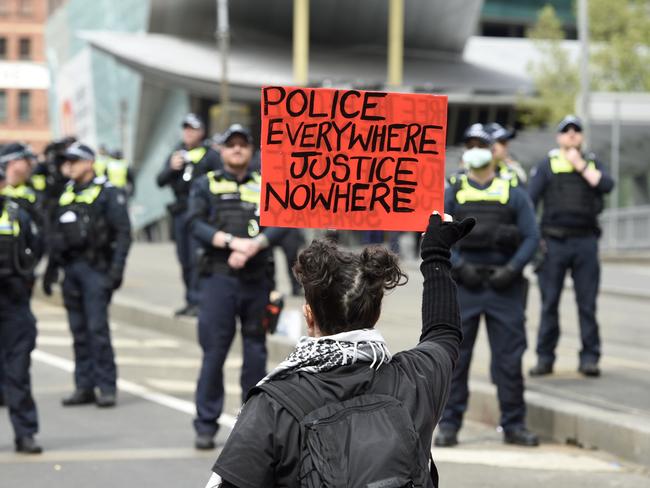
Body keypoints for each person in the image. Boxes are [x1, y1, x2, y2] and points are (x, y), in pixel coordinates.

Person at [203, 212, 473, 487]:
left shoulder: (272, 405)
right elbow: (444, 332)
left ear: (309, 317)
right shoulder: (417, 378)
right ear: (376, 314)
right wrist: (436, 255)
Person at [435, 124, 540, 448]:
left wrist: (512, 269)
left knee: (508, 361)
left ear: (494, 151)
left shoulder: (512, 190)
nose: (476, 149)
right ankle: (449, 425)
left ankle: (513, 424)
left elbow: (532, 237)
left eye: (483, 144)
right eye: (471, 144)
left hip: (503, 287)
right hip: (465, 286)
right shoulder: (453, 190)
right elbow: (438, 233)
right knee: (457, 360)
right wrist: (459, 265)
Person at [188, 124, 287, 450]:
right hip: (218, 278)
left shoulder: (266, 184)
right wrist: (232, 243)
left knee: (256, 354)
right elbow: (194, 223)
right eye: (231, 145)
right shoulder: (207, 184)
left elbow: (280, 223)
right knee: (214, 353)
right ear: (221, 149)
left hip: (256, 278)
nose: (237, 150)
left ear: (251, 150)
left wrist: (253, 246)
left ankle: (253, 427)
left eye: (243, 145)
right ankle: (206, 423)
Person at [43, 142, 132, 407]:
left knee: (97, 330)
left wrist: (116, 271)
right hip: (71, 271)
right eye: (67, 160)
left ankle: (106, 387)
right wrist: (51, 270)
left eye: (74, 160)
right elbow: (55, 234)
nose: (68, 165)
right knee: (78, 331)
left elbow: (123, 233)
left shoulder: (107, 193)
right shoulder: (65, 192)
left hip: (96, 269)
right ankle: (84, 386)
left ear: (89, 163)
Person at [528, 115, 615, 378]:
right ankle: (545, 358)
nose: (572, 134)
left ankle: (590, 358)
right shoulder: (547, 164)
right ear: (559, 137)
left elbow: (607, 185)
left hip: (585, 242)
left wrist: (580, 166)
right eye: (566, 130)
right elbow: (530, 200)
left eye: (577, 130)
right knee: (549, 303)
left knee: (587, 304)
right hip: (554, 243)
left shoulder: (590, 162)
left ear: (582, 136)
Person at [157, 114, 222, 317]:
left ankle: (200, 301)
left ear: (201, 132)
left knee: (198, 258)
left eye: (192, 129)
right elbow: (159, 181)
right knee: (184, 259)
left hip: (202, 213)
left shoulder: (210, 154)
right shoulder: (177, 154)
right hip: (181, 212)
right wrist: (171, 168)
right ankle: (190, 300)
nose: (188, 133)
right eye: (185, 129)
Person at [0, 155, 43, 453]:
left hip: (13, 302)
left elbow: (36, 249)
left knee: (17, 370)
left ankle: (25, 433)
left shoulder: (16, 214)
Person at [484, 122, 527, 187]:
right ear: (488, 145)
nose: (506, 146)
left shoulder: (510, 169)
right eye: (502, 142)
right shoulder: (468, 171)